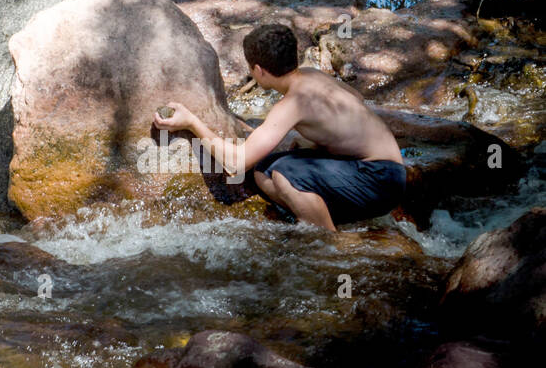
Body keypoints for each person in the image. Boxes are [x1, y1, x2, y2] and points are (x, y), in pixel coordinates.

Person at [152, 23, 406, 231]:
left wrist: (192, 123)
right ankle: (313, 215)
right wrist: (320, 140)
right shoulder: (311, 74)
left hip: (380, 180)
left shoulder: (293, 103)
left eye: (251, 69)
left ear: (260, 71)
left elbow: (237, 163)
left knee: (286, 175)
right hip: (383, 169)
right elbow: (356, 100)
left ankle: (330, 240)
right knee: (264, 170)